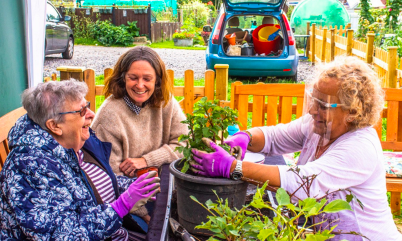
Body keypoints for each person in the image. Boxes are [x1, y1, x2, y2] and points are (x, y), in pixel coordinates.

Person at [191, 56, 402, 240]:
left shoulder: (360, 147)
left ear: (352, 112)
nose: (312, 110)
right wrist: (246, 136)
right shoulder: (317, 127)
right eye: (314, 100)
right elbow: (275, 136)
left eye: (323, 105)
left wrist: (234, 168)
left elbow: (302, 182)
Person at [0, 80, 160, 240]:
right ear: (54, 125)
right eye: (81, 111)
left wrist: (137, 186)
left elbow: (92, 186)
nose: (91, 114)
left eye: (87, 105)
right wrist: (121, 206)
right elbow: (61, 236)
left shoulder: (75, 143)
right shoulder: (29, 166)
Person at [91, 46, 188, 221]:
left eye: (147, 79)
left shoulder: (167, 102)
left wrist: (146, 160)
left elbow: (185, 145)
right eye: (133, 78)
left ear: (157, 80)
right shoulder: (108, 116)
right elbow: (109, 179)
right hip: (128, 206)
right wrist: (144, 215)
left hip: (166, 192)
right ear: (122, 78)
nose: (140, 85)